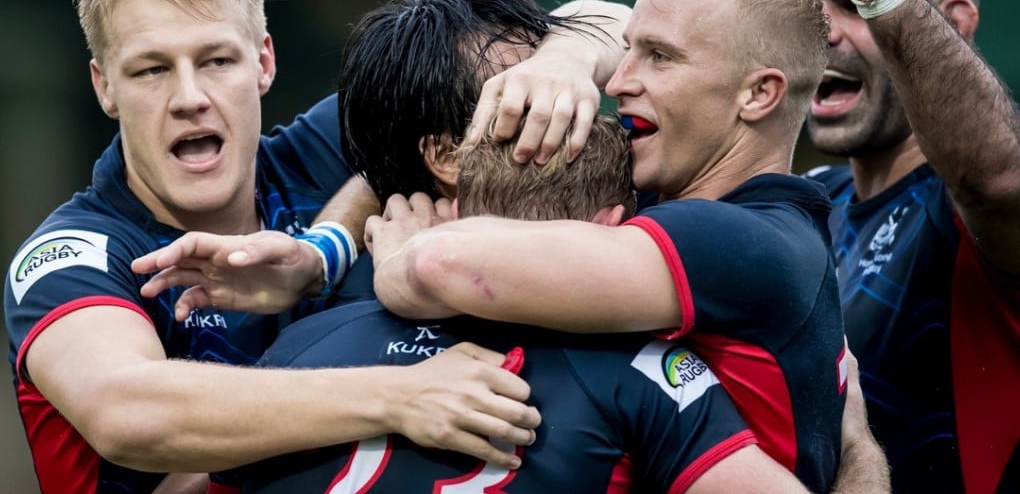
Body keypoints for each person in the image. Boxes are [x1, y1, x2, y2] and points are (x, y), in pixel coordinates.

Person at [3, 0, 542, 494]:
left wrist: (322, 252)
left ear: (263, 61)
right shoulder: (70, 255)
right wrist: (403, 392)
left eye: (216, 60)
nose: (189, 98)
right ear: (105, 87)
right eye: (151, 70)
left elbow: (590, 30)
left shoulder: (329, 146)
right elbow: (128, 413)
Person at [365, 0, 848, 493]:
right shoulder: (727, 211)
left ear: (758, 95)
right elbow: (591, 15)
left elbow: (440, 265)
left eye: (660, 57)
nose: (617, 82)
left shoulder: (744, 241)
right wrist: (563, 60)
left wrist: (400, 252)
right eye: (629, 49)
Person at [233, 115, 816, 493]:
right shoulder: (639, 369)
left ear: (456, 212)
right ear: (616, 226)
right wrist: (857, 443)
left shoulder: (301, 345)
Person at [748, 0, 1020, 493]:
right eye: (809, 10)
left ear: (953, 24)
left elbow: (995, 180)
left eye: (850, 1)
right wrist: (573, 51)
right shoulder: (802, 205)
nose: (822, 36)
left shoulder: (974, 207)